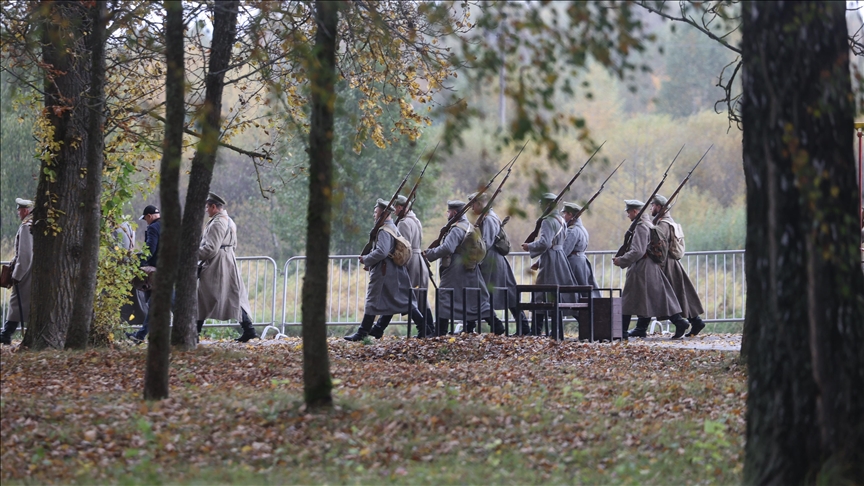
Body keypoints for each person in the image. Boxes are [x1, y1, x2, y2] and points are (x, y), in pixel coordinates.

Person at [344, 198, 431, 341]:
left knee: (373, 300)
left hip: (385, 272)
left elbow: (382, 252)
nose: (374, 214)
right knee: (405, 302)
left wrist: (366, 259)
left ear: (383, 213)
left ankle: (362, 332)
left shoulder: (384, 230)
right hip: (393, 271)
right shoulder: (392, 227)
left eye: (376, 211)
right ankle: (424, 328)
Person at [612, 199, 689, 339]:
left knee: (628, 299)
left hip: (642, 268)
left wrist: (621, 260)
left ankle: (621, 332)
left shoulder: (641, 227)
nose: (628, 215)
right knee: (657, 297)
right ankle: (678, 322)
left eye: (629, 212)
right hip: (649, 266)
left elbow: (638, 251)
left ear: (635, 211)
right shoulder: (648, 224)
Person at [424, 199, 492, 336]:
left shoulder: (456, 229)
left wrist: (429, 254)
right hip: (468, 268)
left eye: (449, 211)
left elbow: (448, 247)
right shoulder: (469, 226)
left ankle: (440, 331)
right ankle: (496, 325)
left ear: (454, 212)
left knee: (444, 295)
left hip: (455, 269)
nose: (447, 214)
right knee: (475, 300)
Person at [196, 193, 258, 342]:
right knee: (233, 296)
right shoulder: (229, 221)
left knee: (202, 297)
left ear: (213, 207)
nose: (206, 210)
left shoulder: (218, 223)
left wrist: (193, 254)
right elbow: (232, 245)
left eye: (207, 207)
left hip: (217, 264)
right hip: (226, 261)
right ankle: (249, 330)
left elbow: (211, 248)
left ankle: (193, 332)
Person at [468, 192, 529, 335]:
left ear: (480, 204)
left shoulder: (488, 219)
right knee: (506, 295)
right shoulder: (489, 217)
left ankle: (472, 327)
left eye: (473, 204)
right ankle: (523, 328)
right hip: (494, 260)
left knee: (480, 293)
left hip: (490, 261)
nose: (472, 208)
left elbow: (486, 243)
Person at [521, 193, 578, 337]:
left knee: (541, 294)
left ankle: (536, 330)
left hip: (550, 260)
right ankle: (556, 330)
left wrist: (530, 246)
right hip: (559, 258)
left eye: (542, 204)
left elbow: (545, 243)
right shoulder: (561, 219)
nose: (540, 206)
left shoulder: (548, 221)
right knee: (554, 295)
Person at [650, 195, 707, 336]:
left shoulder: (662, 224)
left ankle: (681, 323)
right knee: (681, 295)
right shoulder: (670, 222)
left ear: (658, 207)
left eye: (652, 205)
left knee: (667, 296)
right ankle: (696, 321)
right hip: (672, 263)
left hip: (666, 264)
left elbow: (659, 247)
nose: (651, 208)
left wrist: (654, 260)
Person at [394, 194, 434, 336]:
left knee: (410, 297)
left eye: (395, 208)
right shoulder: (415, 220)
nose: (394, 211)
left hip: (411, 262)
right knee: (420, 298)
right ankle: (429, 329)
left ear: (400, 207)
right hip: (418, 261)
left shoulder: (404, 223)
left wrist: (400, 263)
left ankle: (425, 329)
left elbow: (404, 247)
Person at [1, 198, 34, 345]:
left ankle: (6, 333)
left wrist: (16, 276)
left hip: (26, 272)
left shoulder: (26, 227)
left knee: (16, 303)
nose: (18, 213)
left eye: (19, 210)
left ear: (25, 211)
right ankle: (6, 332)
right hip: (31, 271)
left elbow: (25, 255)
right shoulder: (33, 224)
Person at [127, 205, 161, 343]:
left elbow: (150, 249)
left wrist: (140, 264)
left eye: (146, 219)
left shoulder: (153, 227)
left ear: (149, 216)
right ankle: (142, 335)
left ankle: (141, 336)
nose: (146, 222)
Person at [561, 202, 600, 295]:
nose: (563, 216)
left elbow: (565, 251)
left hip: (574, 263)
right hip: (581, 261)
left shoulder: (572, 230)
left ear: (570, 215)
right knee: (584, 289)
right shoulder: (581, 229)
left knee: (575, 292)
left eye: (565, 213)